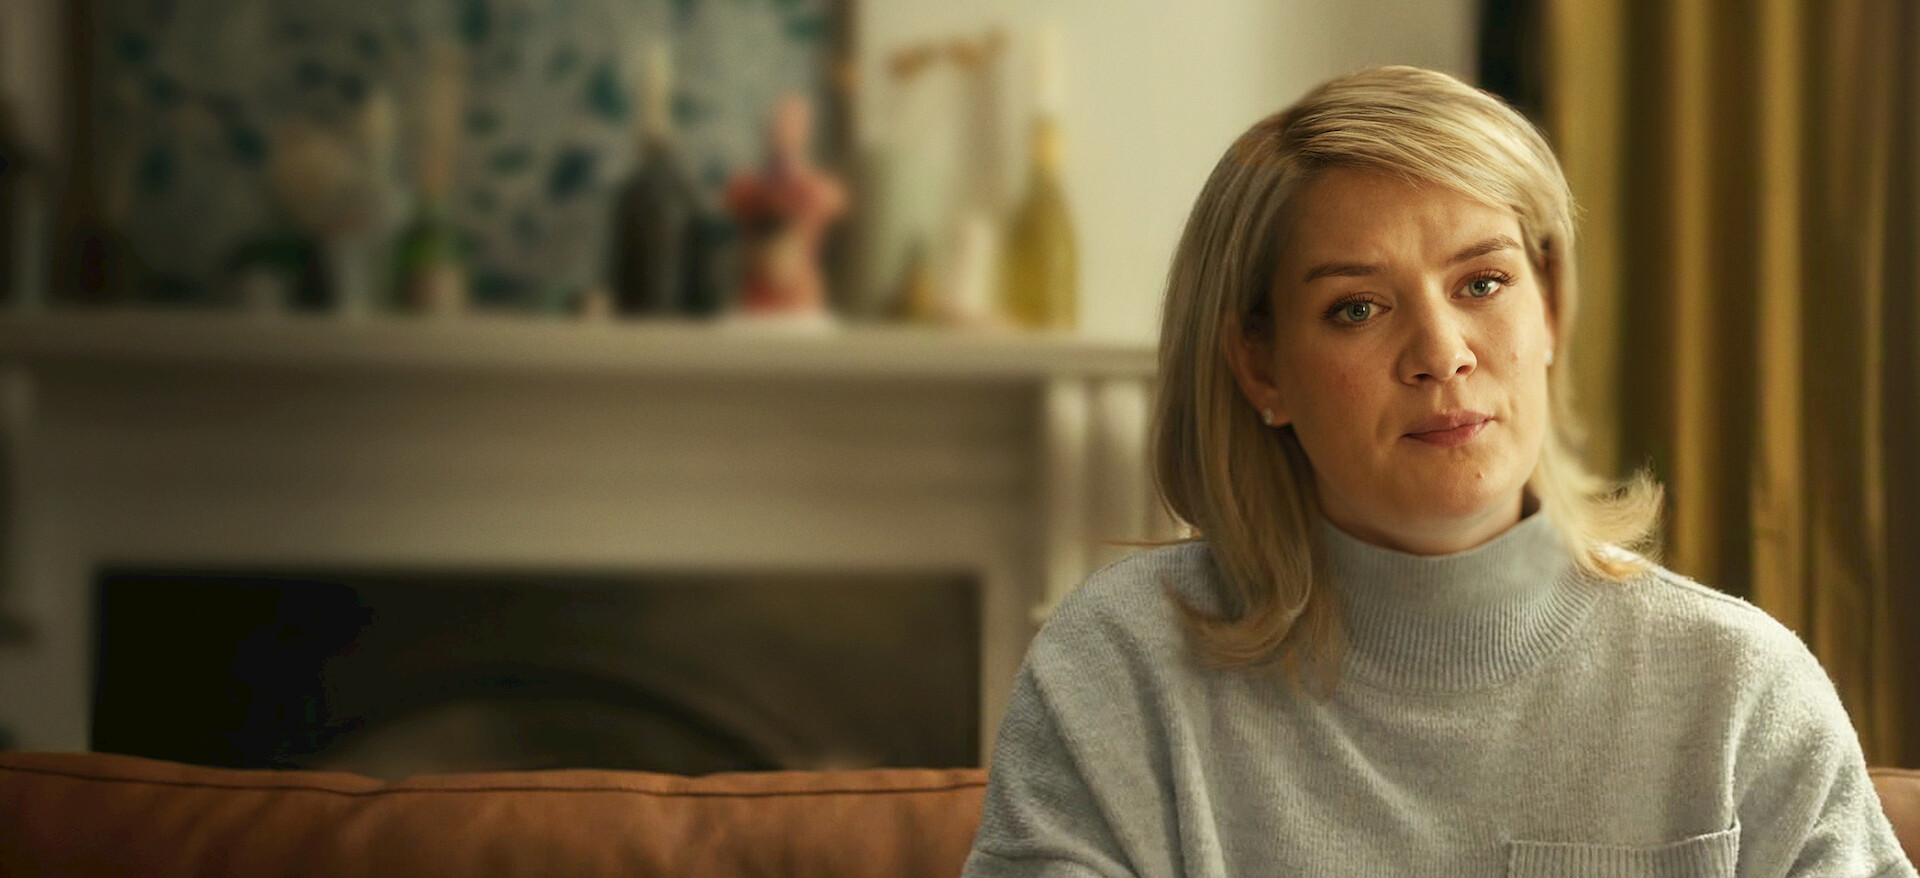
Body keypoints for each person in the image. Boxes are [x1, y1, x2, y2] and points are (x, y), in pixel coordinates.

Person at [962, 66, 1915, 877]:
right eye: (1357, 308)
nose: (1441, 353)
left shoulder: (1740, 690)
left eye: (1483, 283)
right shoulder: (1119, 668)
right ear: (1261, 368)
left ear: (1550, 309)